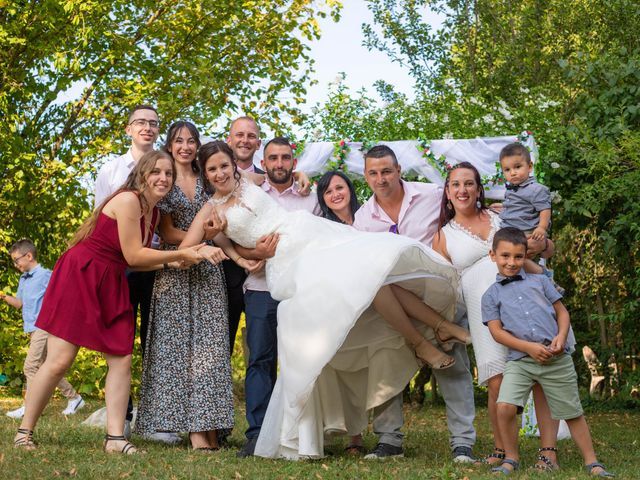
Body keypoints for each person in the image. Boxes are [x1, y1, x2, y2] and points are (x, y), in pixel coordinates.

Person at [180, 139, 467, 459]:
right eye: (212, 169)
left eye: (224, 165)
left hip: (307, 231)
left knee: (374, 271)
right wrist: (222, 244)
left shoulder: (252, 181)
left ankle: (436, 328)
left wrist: (301, 175)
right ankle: (427, 337)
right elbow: (189, 247)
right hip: (288, 261)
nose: (220, 173)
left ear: (234, 164)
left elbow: (286, 174)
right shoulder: (211, 211)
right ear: (204, 174)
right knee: (365, 277)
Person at [12, 151, 206, 454]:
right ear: (142, 174)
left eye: (168, 174)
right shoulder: (129, 200)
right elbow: (133, 255)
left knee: (121, 357)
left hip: (112, 279)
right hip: (82, 275)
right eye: (156, 172)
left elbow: (132, 260)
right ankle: (24, 431)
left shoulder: (153, 213)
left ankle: (115, 438)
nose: (163, 178)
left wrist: (169, 264)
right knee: (59, 361)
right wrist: (179, 254)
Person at [432, 162, 561, 468]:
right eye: (455, 185)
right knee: (497, 382)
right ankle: (503, 450)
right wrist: (447, 327)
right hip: (486, 315)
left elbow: (547, 249)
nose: (462, 190)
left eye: (469, 184)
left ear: (478, 189)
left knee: (542, 377)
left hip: (529, 305)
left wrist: (539, 243)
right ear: (448, 193)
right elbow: (444, 290)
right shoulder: (442, 237)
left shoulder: (502, 215)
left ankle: (548, 453)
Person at [353, 145, 477, 462]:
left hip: (435, 295)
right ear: (366, 176)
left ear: (399, 171)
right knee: (383, 364)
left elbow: (466, 207)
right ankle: (389, 440)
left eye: (386, 171)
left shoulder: (432, 195)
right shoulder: (363, 218)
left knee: (453, 368)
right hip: (391, 308)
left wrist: (495, 211)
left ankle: (462, 442)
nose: (381, 179)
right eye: (373, 173)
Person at [482, 227, 614, 477]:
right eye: (505, 256)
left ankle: (592, 462)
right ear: (493, 255)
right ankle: (511, 458)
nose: (512, 262)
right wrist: (528, 348)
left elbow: (562, 312)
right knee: (505, 407)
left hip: (556, 359)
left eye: (518, 256)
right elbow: (497, 332)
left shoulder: (540, 281)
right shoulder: (491, 295)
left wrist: (561, 338)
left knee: (572, 411)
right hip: (521, 360)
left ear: (525, 257)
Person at [134, 122, 233, 450]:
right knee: (177, 350)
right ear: (170, 144)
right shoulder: (165, 178)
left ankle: (210, 425)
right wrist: (200, 239)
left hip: (208, 271)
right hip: (175, 268)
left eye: (191, 141)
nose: (185, 146)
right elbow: (167, 232)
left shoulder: (208, 176)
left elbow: (244, 184)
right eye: (179, 141)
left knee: (210, 349)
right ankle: (192, 431)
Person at [94, 105, 165, 440]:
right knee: (118, 341)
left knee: (153, 339)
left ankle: (153, 417)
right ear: (128, 129)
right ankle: (122, 416)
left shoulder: (166, 168)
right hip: (120, 266)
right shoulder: (111, 169)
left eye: (153, 124)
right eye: (141, 123)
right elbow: (99, 218)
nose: (147, 128)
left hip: (155, 263)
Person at [2, 239, 84, 419]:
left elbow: (63, 295)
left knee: (30, 366)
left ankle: (29, 407)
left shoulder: (47, 275)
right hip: (32, 328)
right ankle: (74, 398)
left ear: (28, 256)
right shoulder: (23, 279)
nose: (16, 265)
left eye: (17, 260)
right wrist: (3, 296)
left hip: (44, 326)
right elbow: (19, 304)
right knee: (45, 366)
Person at [223, 116, 264, 353]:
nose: (245, 140)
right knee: (220, 350)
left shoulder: (269, 177)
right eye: (239, 135)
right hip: (225, 276)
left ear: (258, 143)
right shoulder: (213, 174)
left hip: (263, 276)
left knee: (261, 352)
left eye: (251, 136)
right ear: (229, 140)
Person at [498, 143, 551, 254]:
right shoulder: (512, 188)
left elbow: (545, 209)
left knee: (525, 257)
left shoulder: (536, 189)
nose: (513, 173)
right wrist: (502, 206)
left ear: (530, 167)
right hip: (508, 230)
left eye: (517, 167)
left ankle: (538, 271)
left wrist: (541, 227)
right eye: (507, 170)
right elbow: (516, 205)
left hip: (526, 231)